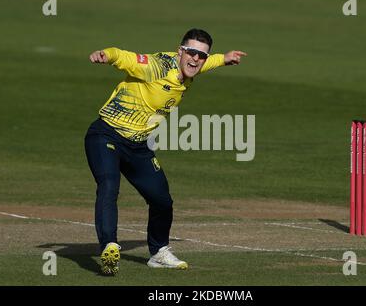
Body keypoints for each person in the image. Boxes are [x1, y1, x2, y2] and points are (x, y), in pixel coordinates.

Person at [85, 28, 247, 275]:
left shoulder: (193, 66)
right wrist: (105, 54)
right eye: (191, 53)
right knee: (109, 185)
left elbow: (207, 62)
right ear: (180, 51)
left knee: (162, 201)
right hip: (106, 134)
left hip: (138, 146)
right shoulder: (158, 66)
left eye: (201, 56)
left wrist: (224, 58)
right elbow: (124, 56)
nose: (196, 59)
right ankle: (110, 245)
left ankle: (158, 253)